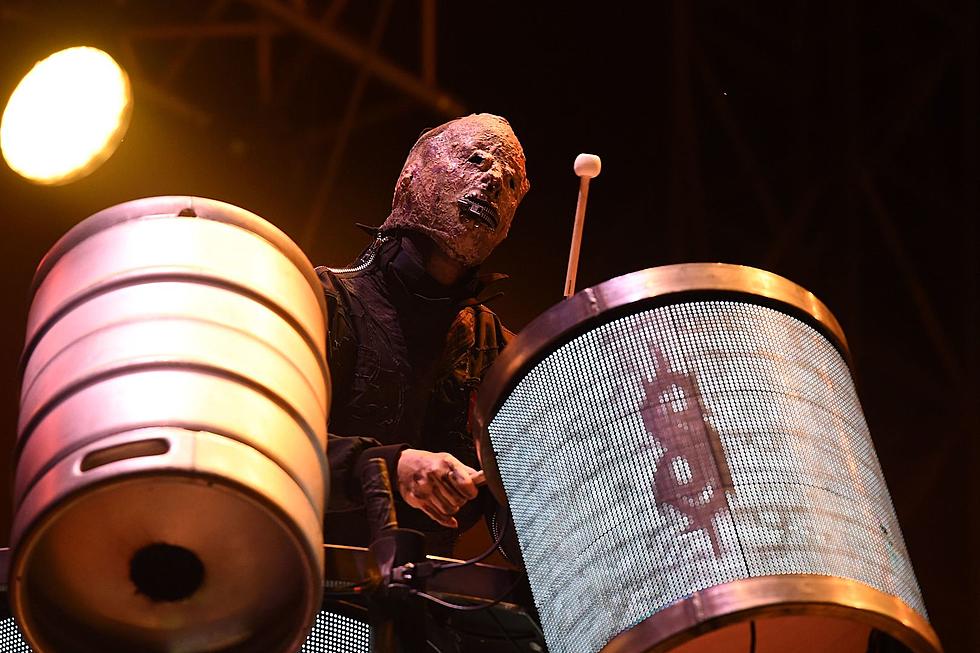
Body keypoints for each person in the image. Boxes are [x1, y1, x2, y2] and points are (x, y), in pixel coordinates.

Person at [318, 113, 530, 555]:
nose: (492, 181)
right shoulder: (320, 298)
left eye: (510, 184)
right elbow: (263, 443)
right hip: (307, 588)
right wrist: (388, 467)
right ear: (411, 172)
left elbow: (523, 538)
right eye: (474, 159)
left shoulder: (505, 358)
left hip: (431, 607)